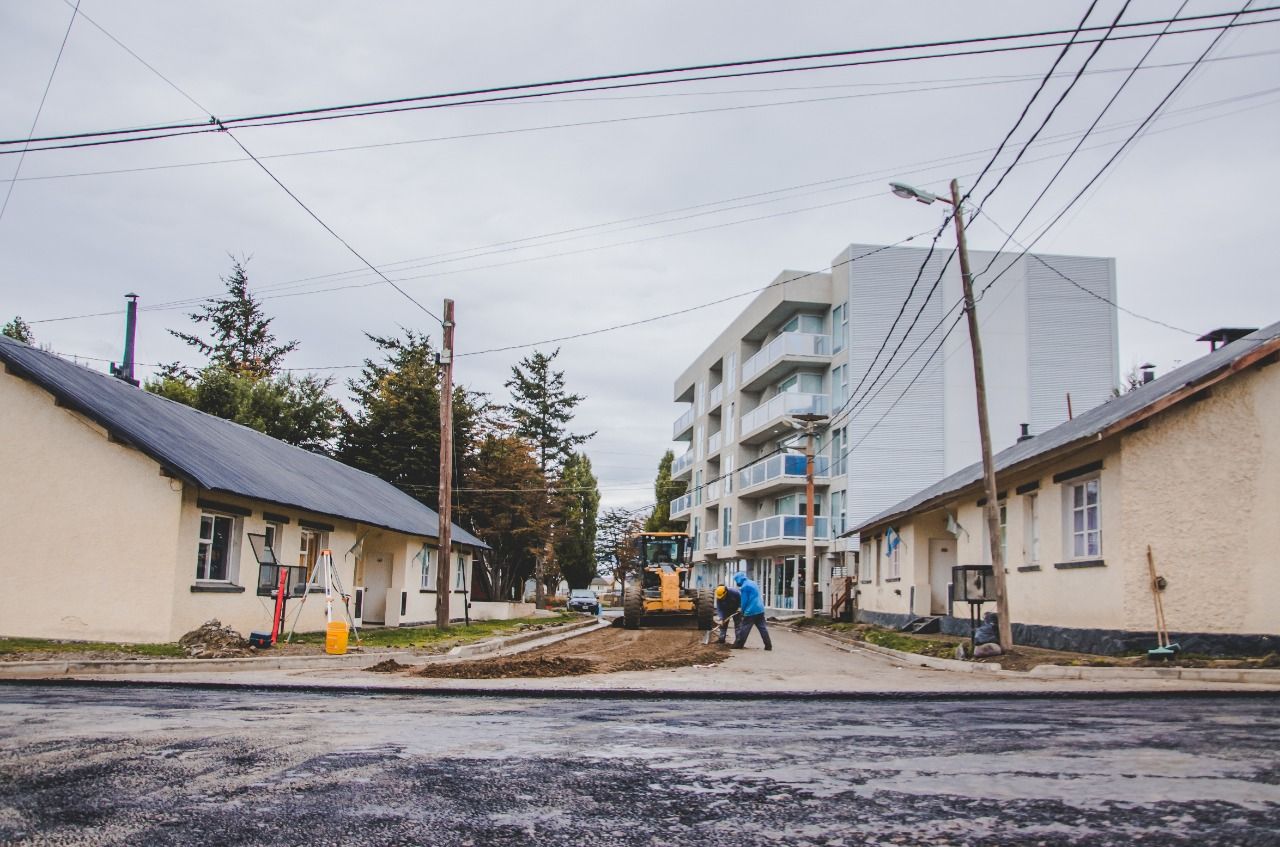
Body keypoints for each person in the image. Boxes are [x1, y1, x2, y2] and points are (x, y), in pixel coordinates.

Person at [731, 572, 772, 651]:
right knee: (763, 628)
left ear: (739, 579)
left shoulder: (744, 587)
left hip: (751, 611)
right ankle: (768, 645)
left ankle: (739, 644)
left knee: (744, 628)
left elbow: (744, 601)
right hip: (760, 609)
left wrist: (742, 611)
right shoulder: (753, 583)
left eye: (736, 581)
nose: (736, 583)